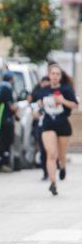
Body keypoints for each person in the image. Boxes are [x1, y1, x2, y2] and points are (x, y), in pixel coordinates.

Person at [31, 63, 78, 195]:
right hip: (48, 125)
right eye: (53, 74)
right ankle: (53, 183)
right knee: (51, 154)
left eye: (58, 74)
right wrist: (36, 111)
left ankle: (62, 167)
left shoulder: (66, 89)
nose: (55, 76)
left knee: (61, 156)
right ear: (49, 75)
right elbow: (36, 107)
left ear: (61, 76)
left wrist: (63, 101)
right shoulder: (43, 90)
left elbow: (75, 105)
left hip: (63, 124)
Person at [28, 75, 51, 180]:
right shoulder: (37, 93)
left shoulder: (53, 93)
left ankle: (51, 170)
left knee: (51, 150)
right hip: (40, 124)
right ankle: (45, 171)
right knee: (42, 149)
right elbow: (33, 108)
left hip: (52, 125)